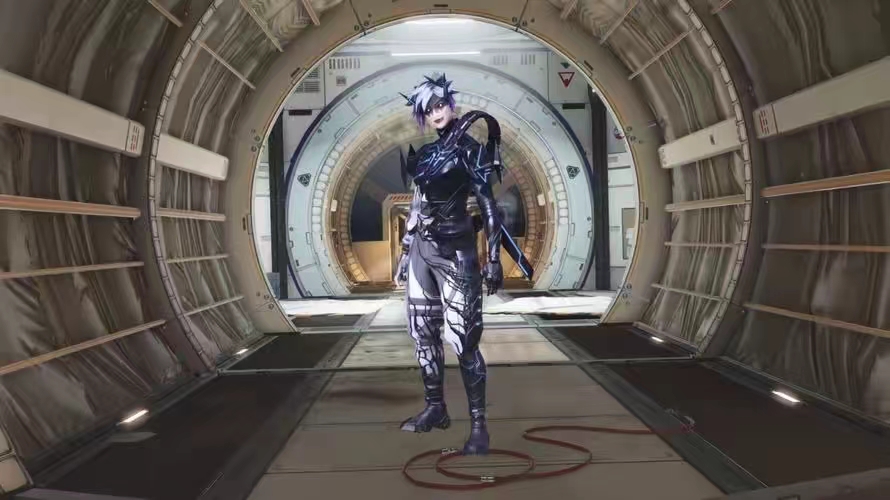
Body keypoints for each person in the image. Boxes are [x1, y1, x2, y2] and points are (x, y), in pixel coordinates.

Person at [393, 74, 532, 455]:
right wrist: (406, 252)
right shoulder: (424, 155)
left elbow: (489, 206)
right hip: (422, 253)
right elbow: (418, 206)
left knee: (465, 340)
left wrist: (493, 259)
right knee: (424, 334)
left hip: (457, 252)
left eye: (440, 105)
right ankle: (435, 408)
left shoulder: (472, 151)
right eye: (428, 109)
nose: (436, 113)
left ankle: (478, 426)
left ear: (451, 105)